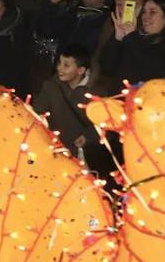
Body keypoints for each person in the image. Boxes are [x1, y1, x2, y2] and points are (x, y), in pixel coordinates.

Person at [31, 43, 112, 178]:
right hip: (53, 151)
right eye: (59, 63)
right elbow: (38, 112)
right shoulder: (51, 86)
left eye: (66, 65)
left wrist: (88, 137)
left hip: (81, 156)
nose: (59, 68)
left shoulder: (95, 93)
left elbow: (105, 125)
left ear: (80, 70)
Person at [99, 0, 165, 87]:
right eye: (144, 12)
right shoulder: (135, 38)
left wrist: (132, 37)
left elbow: (153, 73)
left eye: (153, 12)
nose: (145, 17)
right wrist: (118, 38)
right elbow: (107, 68)